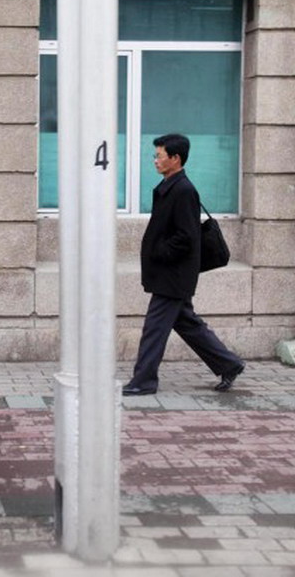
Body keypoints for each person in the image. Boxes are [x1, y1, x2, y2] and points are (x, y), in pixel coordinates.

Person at [122, 133, 245, 396]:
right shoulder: (170, 186)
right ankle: (229, 364)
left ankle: (143, 381)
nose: (155, 160)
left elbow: (187, 237)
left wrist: (158, 252)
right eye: (155, 155)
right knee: (187, 324)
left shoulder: (183, 190)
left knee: (154, 329)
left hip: (173, 275)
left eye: (159, 155)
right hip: (171, 273)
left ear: (175, 159)